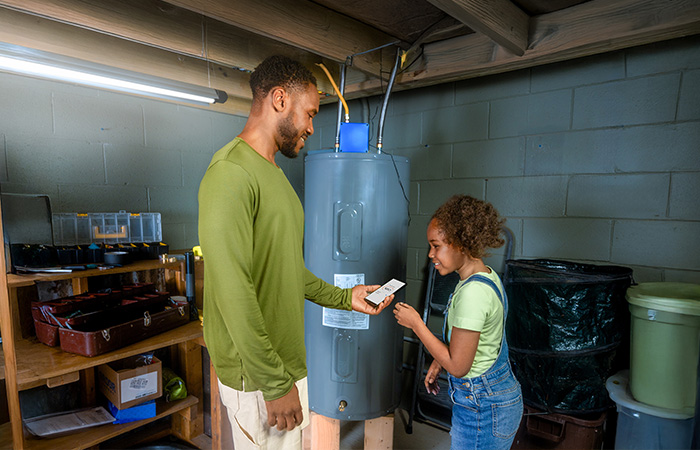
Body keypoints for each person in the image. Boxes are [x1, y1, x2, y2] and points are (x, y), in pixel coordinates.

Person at [198, 55, 394, 450]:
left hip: (286, 364)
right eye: (309, 113)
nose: (310, 125)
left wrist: (344, 298)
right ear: (279, 99)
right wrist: (273, 383)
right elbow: (233, 290)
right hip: (258, 378)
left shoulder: (274, 174)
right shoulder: (230, 174)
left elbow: (287, 269)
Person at [394, 195, 522, 450]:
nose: (430, 254)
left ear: (461, 244)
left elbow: (459, 366)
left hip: (482, 408)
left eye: (436, 245)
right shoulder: (485, 277)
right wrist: (440, 361)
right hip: (496, 399)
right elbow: (476, 345)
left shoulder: (472, 294)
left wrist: (417, 324)